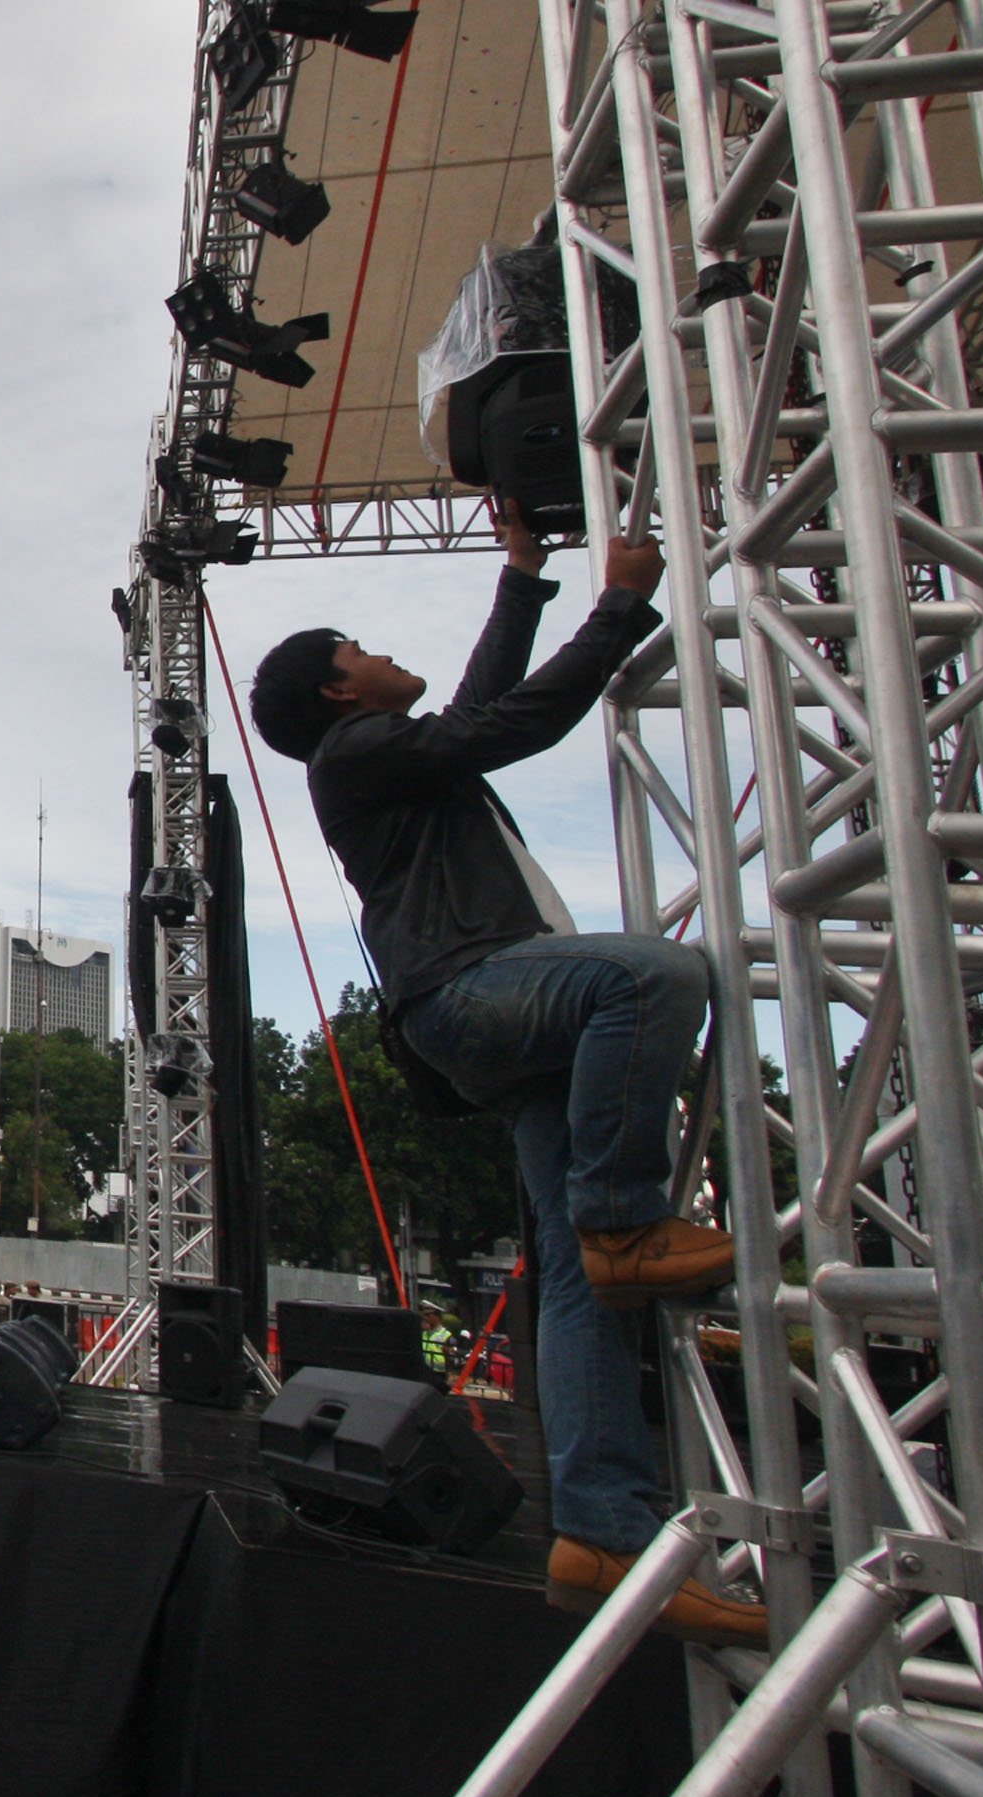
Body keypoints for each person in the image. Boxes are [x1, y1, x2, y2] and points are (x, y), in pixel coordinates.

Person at [246, 502, 763, 1646]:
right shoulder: (358, 750)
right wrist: (619, 603)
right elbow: (514, 723)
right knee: (653, 978)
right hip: (473, 993)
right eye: (362, 650)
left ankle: (600, 1536)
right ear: (340, 690)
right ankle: (626, 1219)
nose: (384, 656)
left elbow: (479, 709)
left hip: (490, 1015)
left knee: (571, 1286)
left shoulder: (383, 754)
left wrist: (521, 577)